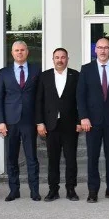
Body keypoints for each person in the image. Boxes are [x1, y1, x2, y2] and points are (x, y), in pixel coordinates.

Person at [77, 37, 109, 202]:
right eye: (100, 47)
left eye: (106, 47)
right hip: (91, 122)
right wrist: (83, 117)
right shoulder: (86, 69)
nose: (103, 50)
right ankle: (93, 191)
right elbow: (80, 96)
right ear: (95, 50)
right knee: (92, 157)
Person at [0, 40, 41, 202]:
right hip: (10, 121)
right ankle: (14, 190)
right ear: (12, 53)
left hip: (29, 120)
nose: (19, 52)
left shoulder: (36, 70)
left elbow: (40, 97)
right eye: (16, 50)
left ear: (27, 52)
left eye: (22, 50)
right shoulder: (4, 72)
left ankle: (34, 191)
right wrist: (0, 121)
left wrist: (39, 120)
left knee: (31, 158)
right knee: (11, 158)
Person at [35, 48, 81, 202]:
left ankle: (71, 189)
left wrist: (80, 121)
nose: (60, 60)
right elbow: (39, 101)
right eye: (57, 57)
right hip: (50, 125)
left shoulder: (76, 75)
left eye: (63, 57)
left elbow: (80, 101)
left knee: (71, 159)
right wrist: (40, 122)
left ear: (67, 59)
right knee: (52, 160)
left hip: (70, 125)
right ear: (53, 59)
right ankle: (53, 190)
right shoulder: (44, 76)